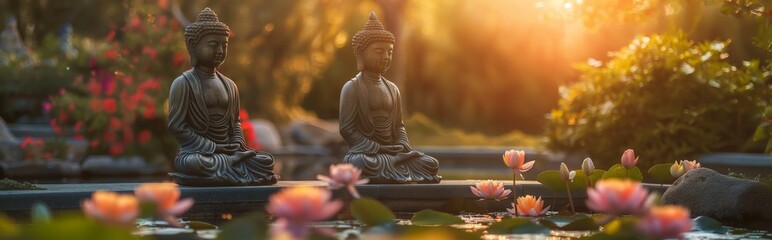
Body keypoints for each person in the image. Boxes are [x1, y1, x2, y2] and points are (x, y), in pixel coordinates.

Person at [167, 8, 277, 186]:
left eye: (224, 45)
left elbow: (235, 123)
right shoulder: (183, 83)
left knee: (266, 161)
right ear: (193, 45)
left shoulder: (230, 85)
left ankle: (230, 164)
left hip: (229, 152)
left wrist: (237, 144)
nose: (220, 50)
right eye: (213, 45)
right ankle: (230, 165)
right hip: (199, 153)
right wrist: (214, 148)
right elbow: (177, 126)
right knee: (194, 163)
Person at [339, 12, 440, 184]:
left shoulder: (393, 89)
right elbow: (347, 129)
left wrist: (401, 145)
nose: (385, 57)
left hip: (392, 153)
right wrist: (378, 148)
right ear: (361, 53)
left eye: (389, 52)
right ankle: (391, 169)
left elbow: (398, 126)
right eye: (379, 51)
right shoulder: (352, 88)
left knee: (430, 164)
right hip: (367, 154)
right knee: (360, 163)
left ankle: (394, 169)